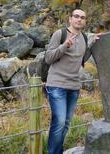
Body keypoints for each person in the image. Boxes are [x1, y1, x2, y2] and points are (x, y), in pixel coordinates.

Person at [44, 8, 99, 154]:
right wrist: (64, 46)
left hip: (74, 86)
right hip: (57, 85)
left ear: (85, 21)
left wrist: (93, 45)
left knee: (66, 124)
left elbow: (81, 59)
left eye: (82, 17)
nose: (79, 19)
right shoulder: (60, 34)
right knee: (59, 121)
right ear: (70, 19)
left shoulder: (84, 38)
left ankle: (57, 150)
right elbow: (48, 58)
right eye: (76, 16)